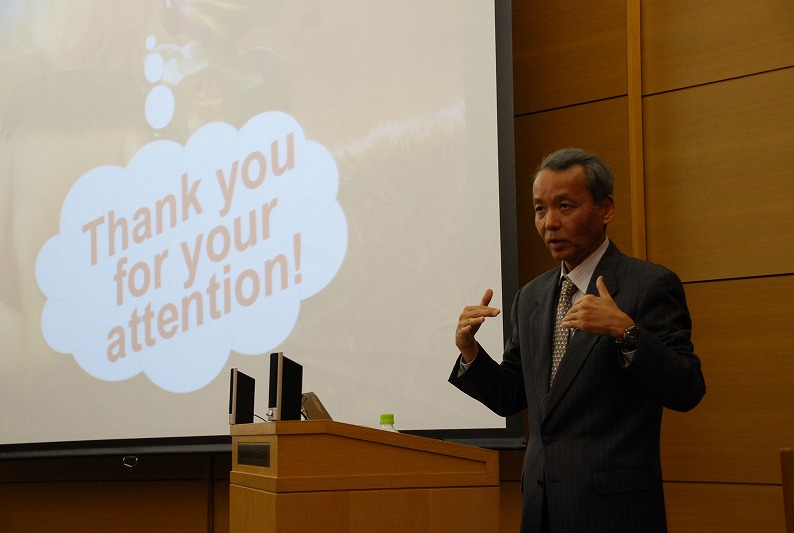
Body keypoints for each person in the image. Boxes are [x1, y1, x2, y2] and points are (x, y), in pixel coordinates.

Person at [450, 147, 705, 533]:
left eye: (565, 206)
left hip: (615, 513)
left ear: (606, 209)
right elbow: (512, 395)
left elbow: (688, 389)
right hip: (540, 510)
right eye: (540, 209)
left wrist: (626, 333)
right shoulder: (531, 296)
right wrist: (470, 352)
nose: (549, 223)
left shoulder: (649, 284)